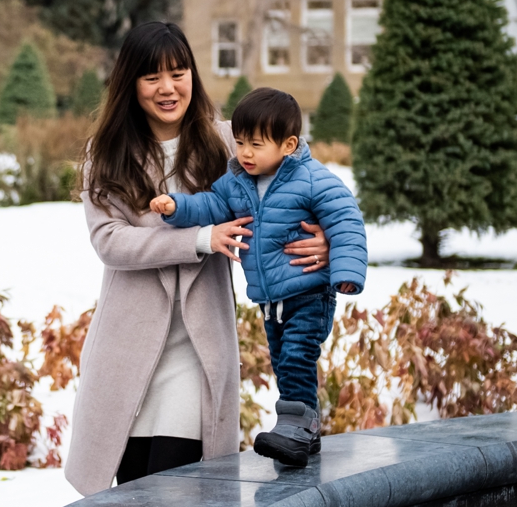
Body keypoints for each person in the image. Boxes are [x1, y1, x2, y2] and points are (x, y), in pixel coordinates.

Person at [65, 22, 332, 494]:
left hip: (199, 345)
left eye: (179, 72)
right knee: (130, 502)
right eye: (152, 77)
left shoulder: (228, 142)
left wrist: (325, 237)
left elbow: (304, 176)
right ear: (130, 83)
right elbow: (110, 241)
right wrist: (200, 238)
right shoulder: (105, 153)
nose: (168, 88)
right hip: (128, 346)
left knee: (179, 496)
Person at [150, 87, 367, 467]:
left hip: (310, 292)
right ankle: (306, 432)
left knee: (299, 356)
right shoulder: (236, 182)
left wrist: (345, 273)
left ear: (288, 144)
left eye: (256, 144)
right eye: (240, 142)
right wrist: (177, 206)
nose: (245, 153)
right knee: (284, 362)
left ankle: (295, 429)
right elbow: (211, 205)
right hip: (270, 300)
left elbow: (346, 221)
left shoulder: (313, 179)